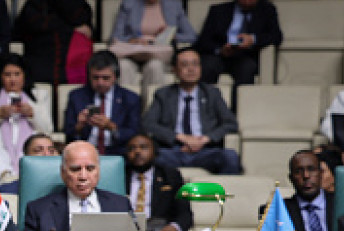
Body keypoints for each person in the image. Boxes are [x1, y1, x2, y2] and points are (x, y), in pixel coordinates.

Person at [15, 141, 132, 231]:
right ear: (63, 172)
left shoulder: (121, 205)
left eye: (90, 169)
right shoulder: (39, 210)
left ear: (99, 171)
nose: (83, 177)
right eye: (76, 169)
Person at [141, 47, 242, 175]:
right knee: (150, 157)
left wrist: (204, 139)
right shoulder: (163, 94)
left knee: (230, 157)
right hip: (173, 151)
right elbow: (148, 124)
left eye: (195, 64)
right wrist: (181, 137)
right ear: (174, 70)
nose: (191, 69)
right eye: (185, 65)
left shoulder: (212, 93)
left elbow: (231, 123)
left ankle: (225, 194)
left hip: (205, 151)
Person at [0, 53, 52, 184]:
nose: (13, 79)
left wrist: (32, 114)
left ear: (24, 75)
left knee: (31, 157)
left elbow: (48, 130)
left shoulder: (39, 95)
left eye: (17, 74)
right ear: (0, 76)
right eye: (7, 74)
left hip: (29, 142)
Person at [124, 133, 193, 231]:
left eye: (143, 147)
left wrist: (173, 228)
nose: (137, 151)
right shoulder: (119, 176)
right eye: (132, 148)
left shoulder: (171, 176)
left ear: (154, 151)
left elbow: (185, 214)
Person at [263, 150, 338, 231]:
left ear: (321, 174)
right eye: (299, 171)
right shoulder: (278, 210)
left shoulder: (341, 204)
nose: (306, 176)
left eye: (311, 169)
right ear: (291, 178)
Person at [62, 51, 142, 156]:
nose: (100, 83)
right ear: (89, 76)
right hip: (84, 152)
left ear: (115, 77)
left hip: (118, 152)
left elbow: (135, 133)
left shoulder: (130, 98)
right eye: (95, 77)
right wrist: (79, 126)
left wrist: (112, 127)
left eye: (105, 78)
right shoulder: (76, 96)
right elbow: (68, 132)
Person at [108, 0, 197, 89]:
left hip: (158, 56)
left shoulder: (174, 4)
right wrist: (132, 40)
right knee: (123, 66)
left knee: (155, 66)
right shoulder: (128, 4)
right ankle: (127, 102)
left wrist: (171, 36)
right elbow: (116, 36)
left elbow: (191, 36)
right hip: (131, 54)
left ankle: (154, 102)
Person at [194, 0, 282, 86]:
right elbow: (203, 41)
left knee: (247, 68)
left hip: (246, 55)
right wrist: (220, 50)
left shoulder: (267, 10)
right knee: (207, 66)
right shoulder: (218, 10)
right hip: (219, 55)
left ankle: (243, 100)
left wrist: (253, 39)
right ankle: (205, 99)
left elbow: (276, 36)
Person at [13, 0, 93, 84]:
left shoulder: (78, 5)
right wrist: (70, 29)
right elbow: (34, 25)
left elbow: (81, 19)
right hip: (40, 64)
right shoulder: (33, 4)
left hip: (70, 66)